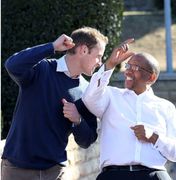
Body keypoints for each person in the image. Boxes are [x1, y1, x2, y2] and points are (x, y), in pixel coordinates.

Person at [1, 27, 108, 180]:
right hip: (17, 169)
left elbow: (87, 140)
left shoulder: (87, 91)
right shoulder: (41, 70)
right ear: (83, 50)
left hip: (55, 172)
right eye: (98, 56)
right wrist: (51, 47)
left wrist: (77, 120)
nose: (100, 62)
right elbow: (12, 65)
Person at [80, 42, 176, 179]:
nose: (127, 71)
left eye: (135, 67)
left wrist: (154, 137)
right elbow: (88, 98)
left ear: (151, 77)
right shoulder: (110, 96)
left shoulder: (166, 107)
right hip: (113, 176)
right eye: (127, 66)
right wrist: (109, 65)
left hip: (153, 175)